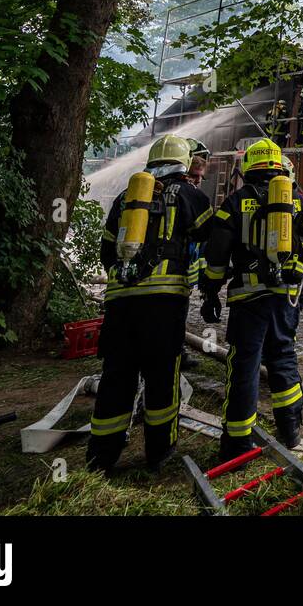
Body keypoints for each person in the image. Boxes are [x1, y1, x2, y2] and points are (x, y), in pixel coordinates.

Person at [88, 135, 211, 474]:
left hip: (120, 304)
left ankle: (102, 456)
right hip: (163, 304)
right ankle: (159, 452)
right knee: (162, 376)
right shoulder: (189, 194)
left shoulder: (125, 198)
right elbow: (211, 237)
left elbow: (107, 251)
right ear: (183, 163)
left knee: (116, 376)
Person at [199, 138, 303, 461]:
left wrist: (210, 291)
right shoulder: (298, 200)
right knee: (283, 356)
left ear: (248, 167)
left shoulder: (235, 202)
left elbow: (217, 255)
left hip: (248, 297)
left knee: (245, 364)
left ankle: (237, 442)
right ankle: (290, 430)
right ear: (280, 166)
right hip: (285, 297)